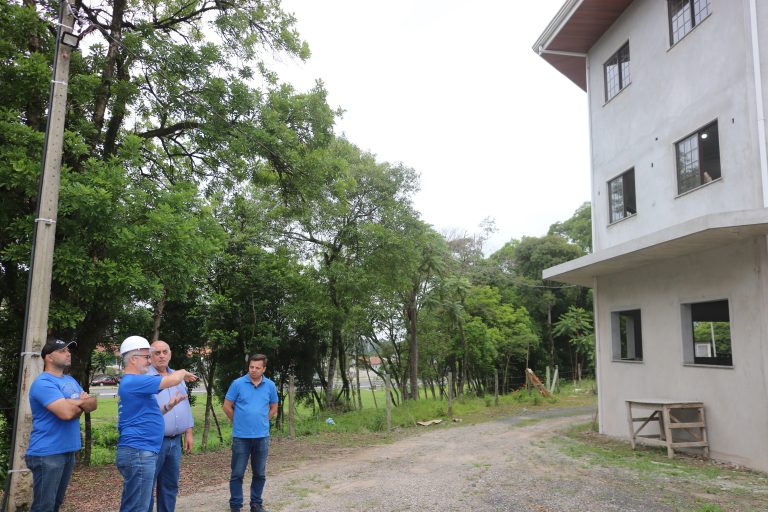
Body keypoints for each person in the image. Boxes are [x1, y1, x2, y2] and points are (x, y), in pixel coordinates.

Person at [116, 336, 197, 512]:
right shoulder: (134, 380)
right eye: (146, 356)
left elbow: (148, 414)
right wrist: (183, 371)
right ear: (133, 359)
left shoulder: (137, 383)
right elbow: (173, 380)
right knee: (138, 506)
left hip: (140, 450)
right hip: (139, 450)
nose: (149, 360)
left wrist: (169, 405)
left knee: (136, 504)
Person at [26, 337, 97, 512]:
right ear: (49, 357)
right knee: (44, 507)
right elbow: (65, 414)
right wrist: (80, 403)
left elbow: (93, 404)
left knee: (56, 504)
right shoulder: (43, 383)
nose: (68, 353)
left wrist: (71, 403)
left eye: (68, 350)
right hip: (47, 453)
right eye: (62, 351)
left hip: (67, 451)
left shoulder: (70, 380)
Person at [223, 354, 278, 512]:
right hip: (241, 437)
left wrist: (265, 420)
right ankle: (235, 505)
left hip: (262, 437)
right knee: (237, 473)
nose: (253, 370)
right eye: (251, 367)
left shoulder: (270, 385)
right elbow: (227, 406)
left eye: (257, 368)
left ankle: (256, 504)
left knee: (259, 473)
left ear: (264, 369)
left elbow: (274, 406)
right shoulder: (238, 384)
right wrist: (237, 421)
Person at [147, 340, 194, 512]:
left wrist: (188, 431)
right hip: (154, 441)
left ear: (170, 354)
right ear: (150, 356)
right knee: (147, 487)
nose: (161, 356)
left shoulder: (179, 377)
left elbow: (185, 405)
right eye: (157, 353)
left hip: (175, 442)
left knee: (170, 485)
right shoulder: (145, 377)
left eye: (164, 352)